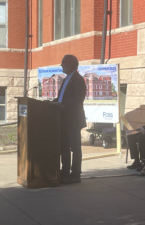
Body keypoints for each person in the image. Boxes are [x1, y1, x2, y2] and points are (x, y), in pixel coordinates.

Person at [51, 55, 86, 184]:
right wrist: (52, 102)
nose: (61, 65)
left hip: (73, 120)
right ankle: (64, 171)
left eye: (63, 63)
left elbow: (77, 100)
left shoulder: (78, 80)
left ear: (71, 64)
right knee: (63, 147)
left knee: (75, 147)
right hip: (63, 120)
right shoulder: (66, 79)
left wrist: (61, 104)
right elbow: (62, 98)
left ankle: (76, 174)